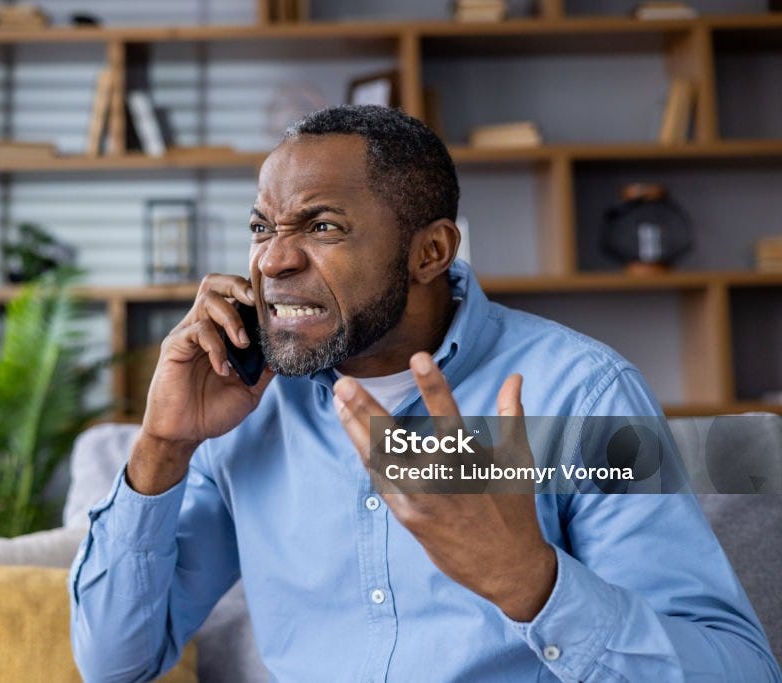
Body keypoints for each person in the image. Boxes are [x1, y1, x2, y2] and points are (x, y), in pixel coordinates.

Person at [69, 105, 780, 681]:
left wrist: (532, 582)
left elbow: (740, 669)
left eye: (322, 225)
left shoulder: (583, 393)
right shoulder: (250, 406)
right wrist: (164, 445)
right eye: (263, 227)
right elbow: (113, 661)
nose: (273, 259)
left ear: (431, 252)